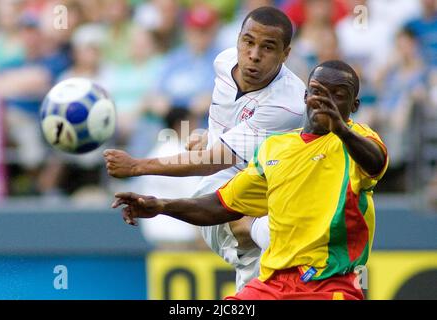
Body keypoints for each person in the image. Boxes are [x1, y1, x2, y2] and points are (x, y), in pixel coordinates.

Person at [111, 60, 389, 300]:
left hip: (328, 285)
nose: (325, 101)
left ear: (354, 105)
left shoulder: (360, 141)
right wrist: (161, 206)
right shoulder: (276, 148)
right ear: (305, 96)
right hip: (272, 284)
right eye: (317, 92)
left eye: (338, 95)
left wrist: (341, 129)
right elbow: (221, 205)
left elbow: (375, 162)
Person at [104, 6, 306, 291]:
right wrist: (210, 136)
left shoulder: (288, 104)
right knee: (257, 227)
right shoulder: (223, 62)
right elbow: (227, 136)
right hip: (218, 198)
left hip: (266, 196)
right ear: (237, 39)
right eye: (248, 42)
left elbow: (217, 159)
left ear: (285, 54)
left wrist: (137, 166)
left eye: (268, 47)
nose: (254, 54)